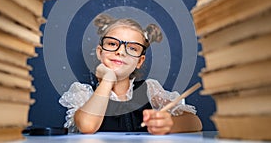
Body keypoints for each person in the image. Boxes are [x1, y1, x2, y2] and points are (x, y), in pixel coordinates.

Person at [59, 13, 202, 135]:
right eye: (112, 44)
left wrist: (168, 123)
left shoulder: (150, 90)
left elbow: (195, 122)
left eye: (132, 48)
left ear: (140, 61)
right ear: (99, 52)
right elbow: (87, 126)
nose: (120, 51)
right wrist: (107, 80)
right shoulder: (84, 93)